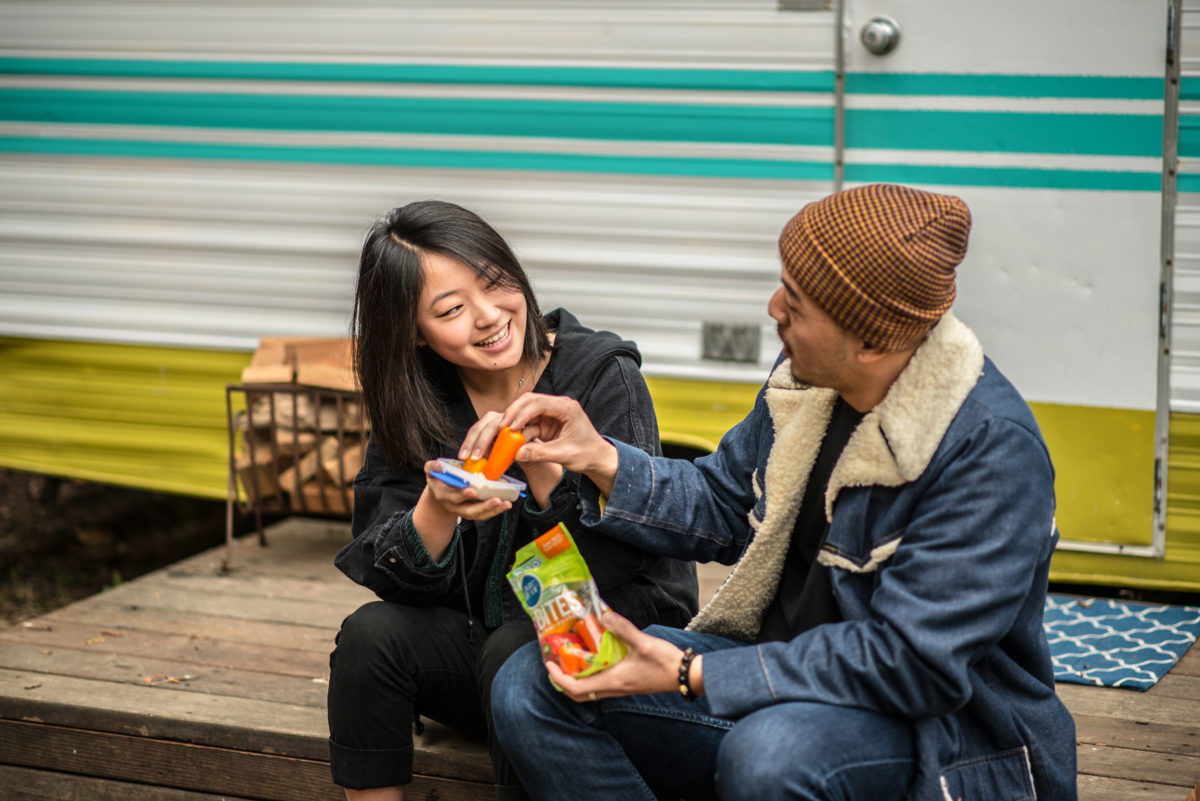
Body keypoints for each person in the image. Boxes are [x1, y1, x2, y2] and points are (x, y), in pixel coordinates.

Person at [490, 184, 1077, 800]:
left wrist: (696, 671)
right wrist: (600, 458)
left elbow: (914, 665)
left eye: (796, 303)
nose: (774, 308)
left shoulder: (988, 450)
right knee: (539, 678)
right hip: (778, 682)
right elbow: (723, 502)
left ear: (871, 340)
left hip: (942, 739)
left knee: (771, 754)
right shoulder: (808, 387)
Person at [326, 200, 698, 801]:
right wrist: (438, 509)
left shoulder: (600, 373)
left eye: (495, 283)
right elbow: (384, 558)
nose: (489, 316)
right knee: (370, 637)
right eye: (451, 309)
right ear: (414, 335)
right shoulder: (417, 401)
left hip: (619, 648)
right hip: (487, 648)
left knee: (519, 645)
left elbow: (630, 554)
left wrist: (548, 481)